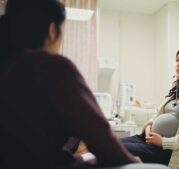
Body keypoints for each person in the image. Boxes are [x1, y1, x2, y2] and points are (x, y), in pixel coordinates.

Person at [0, 1, 168, 169]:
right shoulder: (51, 67)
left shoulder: (9, 66)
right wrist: (133, 162)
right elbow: (102, 142)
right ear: (52, 31)